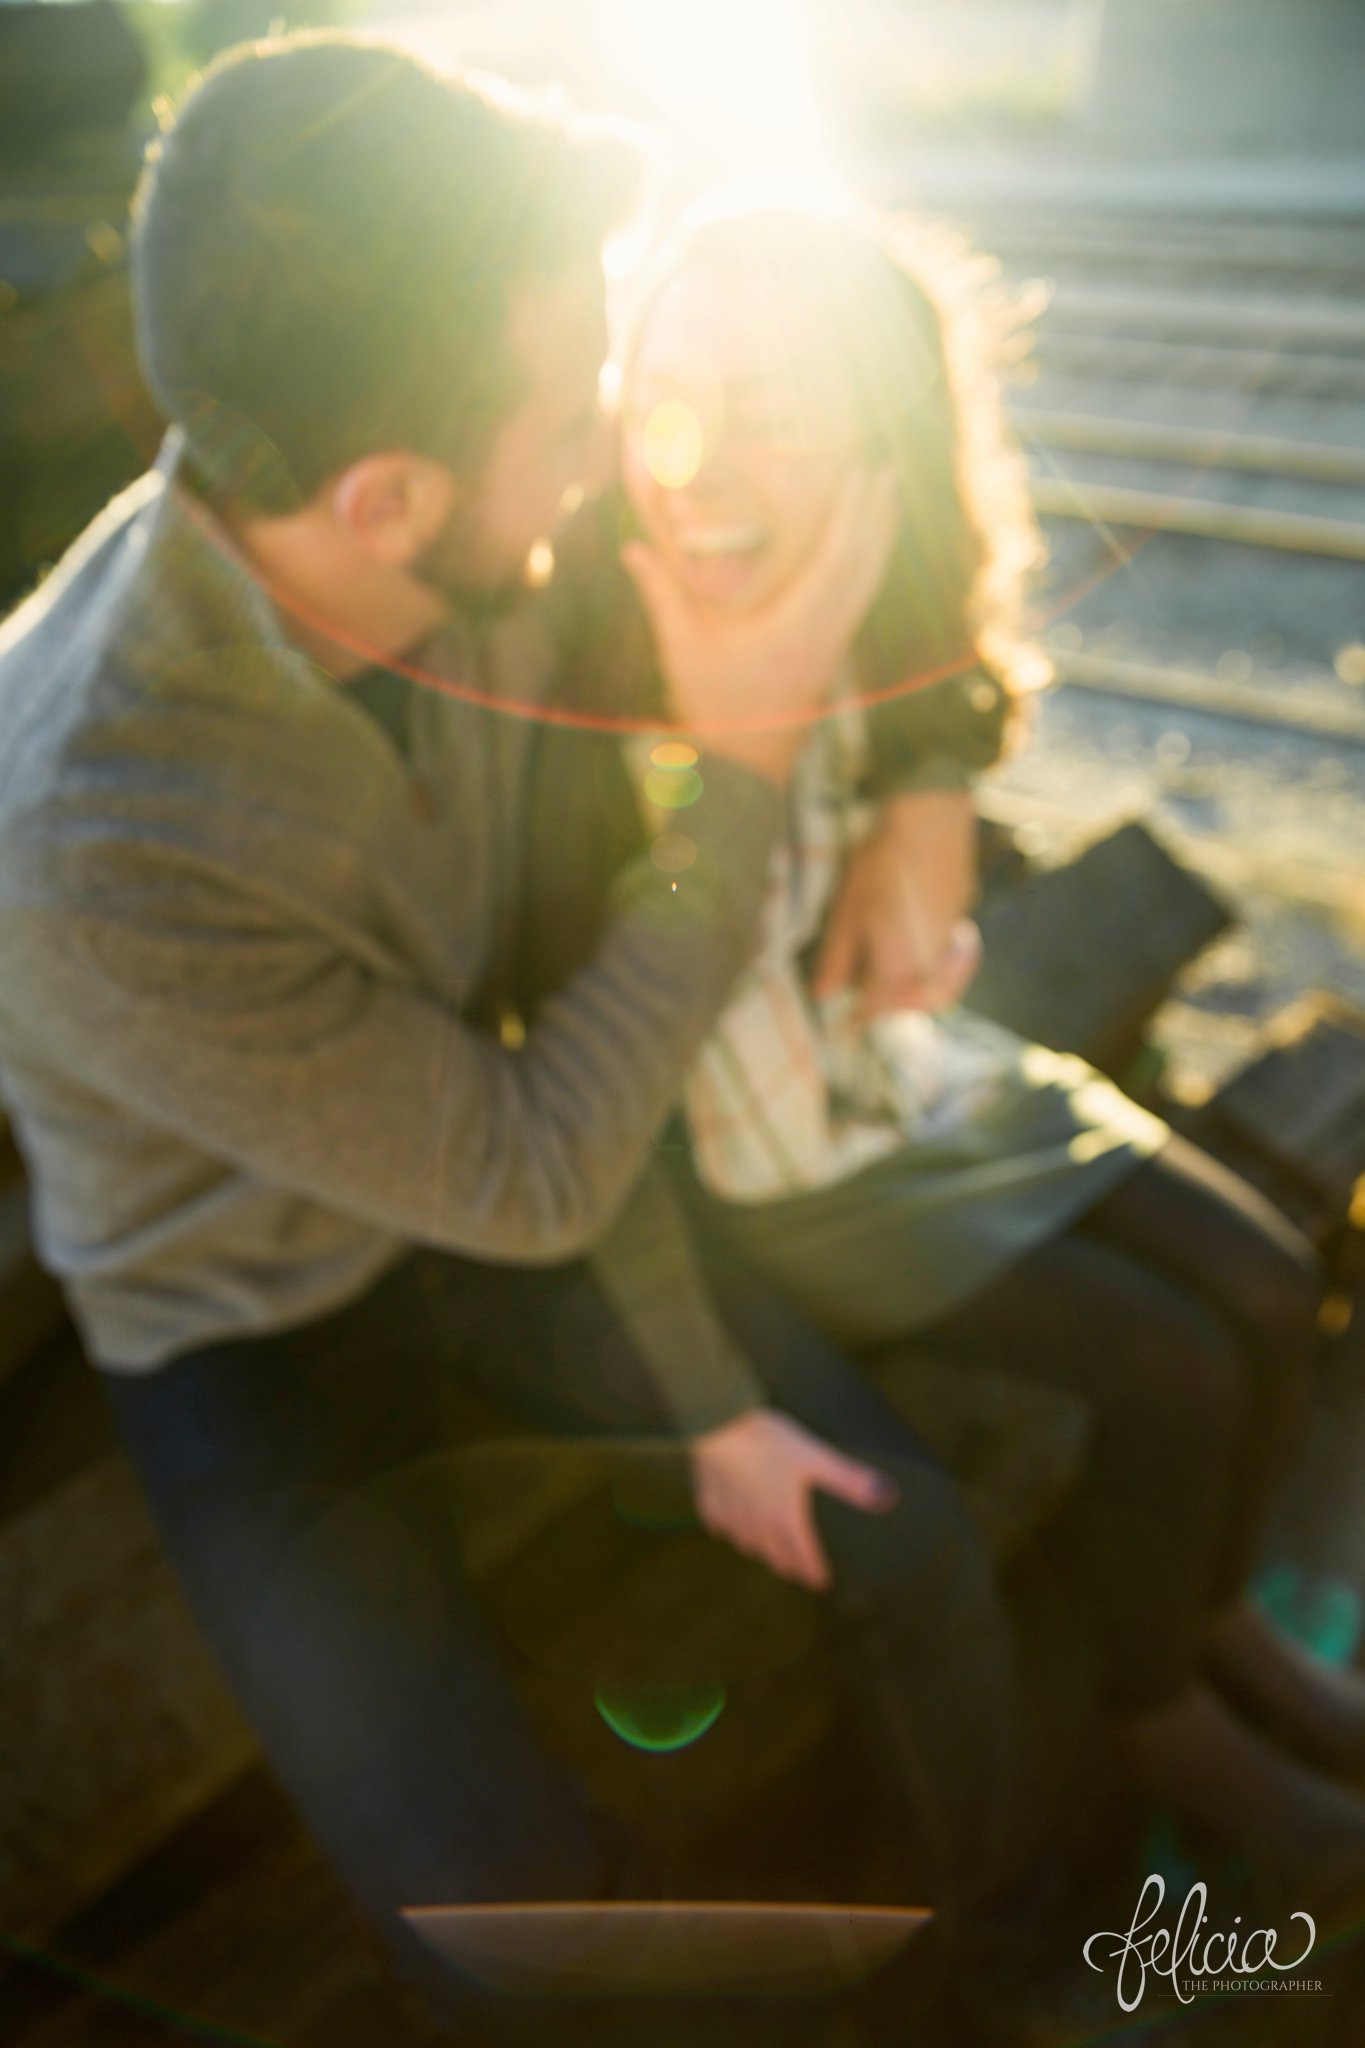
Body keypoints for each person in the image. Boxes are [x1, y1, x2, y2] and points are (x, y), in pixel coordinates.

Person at [0, 38, 1036, 2041]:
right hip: (251, 1335)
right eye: (576, 418)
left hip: (500, 1187)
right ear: (389, 499)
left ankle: (1004, 1960)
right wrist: (736, 772)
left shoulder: (449, 518)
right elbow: (536, 1160)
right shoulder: (84, 838)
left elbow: (838, 563)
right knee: (509, 1921)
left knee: (901, 1535)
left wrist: (920, 767)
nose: (617, 459)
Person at [518, 197, 1365, 1922]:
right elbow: (577, 1069)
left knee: (1272, 1286)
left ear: (869, 432)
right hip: (771, 1173)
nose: (697, 456)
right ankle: (1154, 1718)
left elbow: (949, 676)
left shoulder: (858, 549)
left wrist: (921, 809)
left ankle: (1213, 1627)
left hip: (910, 1076)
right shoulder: (585, 657)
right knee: (1175, 1367)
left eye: (772, 405)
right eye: (663, 391)